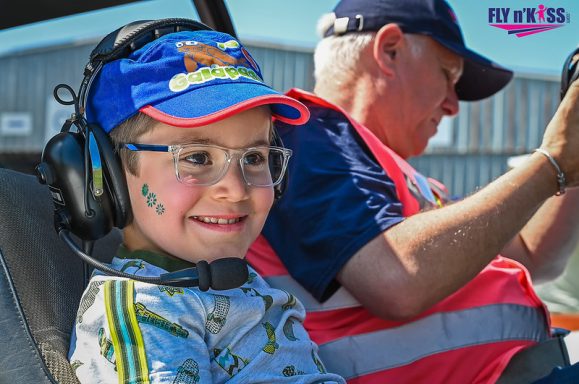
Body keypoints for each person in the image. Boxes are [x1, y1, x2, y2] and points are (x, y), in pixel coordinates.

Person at [246, 0, 579, 383]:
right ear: (389, 50)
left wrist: (570, 158)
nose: (454, 106)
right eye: (448, 75)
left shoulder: (385, 169)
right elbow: (397, 278)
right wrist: (550, 162)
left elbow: (533, 256)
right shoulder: (306, 137)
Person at [67, 23, 346, 384]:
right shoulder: (144, 310)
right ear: (109, 178)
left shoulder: (222, 279)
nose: (235, 189)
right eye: (197, 157)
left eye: (255, 158)